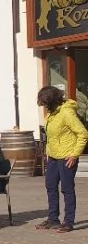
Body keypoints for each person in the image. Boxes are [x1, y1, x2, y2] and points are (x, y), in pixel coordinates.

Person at [36, 85, 88, 233]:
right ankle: (53, 219)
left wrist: (75, 154)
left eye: (45, 103)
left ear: (52, 101)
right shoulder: (52, 113)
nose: (44, 106)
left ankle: (68, 222)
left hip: (67, 156)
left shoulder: (67, 113)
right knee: (51, 186)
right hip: (53, 156)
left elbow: (83, 133)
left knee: (67, 189)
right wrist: (48, 153)